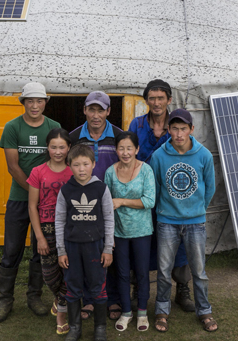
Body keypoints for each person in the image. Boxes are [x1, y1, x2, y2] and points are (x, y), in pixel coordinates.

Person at [0, 82, 63, 323]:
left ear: (45, 102)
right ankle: (5, 299)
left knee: (40, 250)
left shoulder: (53, 127)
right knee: (12, 250)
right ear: (23, 102)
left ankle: (34, 296)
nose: (35, 105)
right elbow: (13, 166)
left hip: (47, 203)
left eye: (39, 101)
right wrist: (36, 192)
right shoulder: (13, 127)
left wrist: (45, 196)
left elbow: (59, 158)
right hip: (19, 198)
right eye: (30, 101)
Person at [148, 108, 218, 333]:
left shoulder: (204, 155)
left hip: (195, 222)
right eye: (175, 128)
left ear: (191, 129)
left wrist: (197, 210)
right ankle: (161, 310)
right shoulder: (159, 156)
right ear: (168, 129)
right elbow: (155, 187)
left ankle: (204, 310)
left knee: (199, 271)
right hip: (167, 221)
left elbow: (210, 187)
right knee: (163, 270)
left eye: (183, 129)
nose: (179, 134)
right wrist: (164, 211)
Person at [129, 79, 195, 313]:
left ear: (169, 99)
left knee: (179, 243)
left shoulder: (178, 125)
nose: (156, 102)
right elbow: (129, 154)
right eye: (152, 98)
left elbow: (191, 156)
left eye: (160, 98)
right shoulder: (137, 125)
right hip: (143, 197)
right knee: (140, 241)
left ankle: (182, 289)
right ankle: (138, 289)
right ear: (146, 100)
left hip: (172, 197)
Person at [68, 90, 124, 319]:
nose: (96, 115)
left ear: (108, 111)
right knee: (87, 253)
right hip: (83, 205)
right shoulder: (74, 137)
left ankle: (113, 298)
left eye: (100, 110)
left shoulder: (119, 136)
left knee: (111, 252)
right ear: (85, 110)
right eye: (91, 109)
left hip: (112, 205)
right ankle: (90, 299)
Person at [56, 143, 115, 341]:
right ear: (69, 166)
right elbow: (59, 221)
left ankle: (100, 328)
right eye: (76, 165)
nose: (81, 169)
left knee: (98, 286)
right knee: (73, 286)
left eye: (85, 164)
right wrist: (61, 250)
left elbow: (109, 219)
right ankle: (75, 328)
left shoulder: (101, 189)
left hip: (95, 247)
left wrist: (108, 248)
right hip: (71, 247)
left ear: (93, 164)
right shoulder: (66, 191)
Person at [103, 131, 156, 332]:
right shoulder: (110, 172)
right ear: (116, 150)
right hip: (119, 231)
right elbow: (106, 203)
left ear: (137, 149)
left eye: (129, 148)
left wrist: (122, 201)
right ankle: (126, 311)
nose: (125, 153)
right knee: (122, 273)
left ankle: (142, 312)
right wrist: (108, 233)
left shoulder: (146, 170)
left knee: (142, 273)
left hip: (142, 231)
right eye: (121, 148)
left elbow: (149, 201)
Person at [28, 128, 75, 334]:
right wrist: (39, 237)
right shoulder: (38, 172)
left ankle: (62, 313)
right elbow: (32, 206)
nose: (57, 151)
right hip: (46, 228)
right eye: (53, 147)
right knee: (49, 275)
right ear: (47, 147)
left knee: (69, 270)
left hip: (70, 228)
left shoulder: (74, 172)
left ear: (69, 148)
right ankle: (59, 298)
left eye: (62, 147)